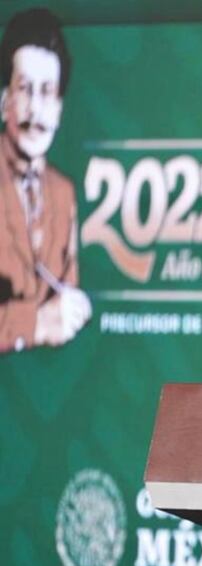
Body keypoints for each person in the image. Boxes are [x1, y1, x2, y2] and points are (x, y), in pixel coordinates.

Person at [0, 8, 89, 353]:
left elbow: (65, 291)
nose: (35, 111)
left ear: (60, 109)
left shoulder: (63, 192)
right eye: (24, 89)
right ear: (4, 100)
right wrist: (35, 323)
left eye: (47, 92)